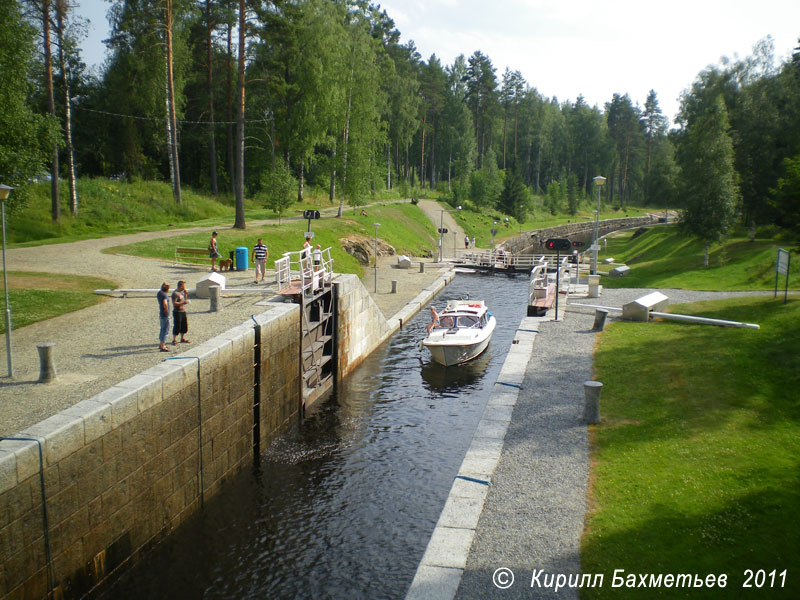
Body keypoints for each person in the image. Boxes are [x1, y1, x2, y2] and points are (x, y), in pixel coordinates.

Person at [171, 280, 190, 345]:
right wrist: (183, 302)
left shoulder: (182, 292)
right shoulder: (175, 293)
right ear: (181, 285)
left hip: (183, 311)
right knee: (177, 325)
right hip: (177, 311)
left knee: (184, 325)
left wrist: (185, 294)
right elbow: (174, 303)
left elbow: (184, 300)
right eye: (184, 286)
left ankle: (182, 338)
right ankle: (174, 339)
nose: (184, 287)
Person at [157, 282, 171, 352]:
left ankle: (161, 344)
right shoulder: (164, 295)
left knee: (162, 328)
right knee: (165, 329)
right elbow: (165, 303)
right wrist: (166, 309)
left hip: (161, 314)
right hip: (165, 315)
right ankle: (162, 345)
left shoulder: (159, 293)